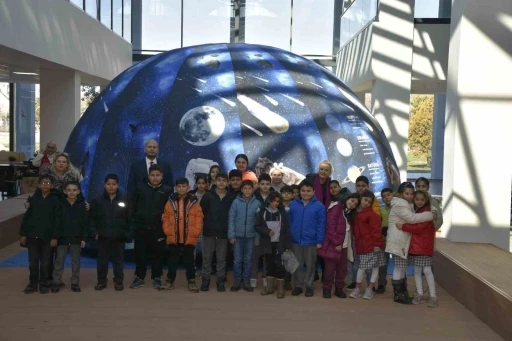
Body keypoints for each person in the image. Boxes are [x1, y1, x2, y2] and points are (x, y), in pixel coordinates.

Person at [386, 182, 436, 304]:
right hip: (399, 241)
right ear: (401, 194)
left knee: (401, 267)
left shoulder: (407, 204)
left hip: (402, 241)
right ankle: (399, 295)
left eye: (411, 193)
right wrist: (430, 215)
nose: (409, 196)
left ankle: (402, 293)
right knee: (399, 267)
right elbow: (412, 219)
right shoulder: (401, 205)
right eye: (406, 193)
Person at [129, 165, 173, 290]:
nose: (155, 178)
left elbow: (171, 210)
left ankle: (157, 277)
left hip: (159, 228)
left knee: (158, 254)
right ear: (148, 176)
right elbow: (132, 205)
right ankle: (139, 277)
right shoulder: (140, 187)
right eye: (152, 175)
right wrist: (134, 221)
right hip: (141, 227)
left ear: (162, 176)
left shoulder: (168, 190)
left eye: (157, 175)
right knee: (140, 254)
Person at [20, 175, 62, 294]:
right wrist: (23, 234)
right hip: (32, 237)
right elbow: (26, 218)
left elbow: (57, 221)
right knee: (33, 262)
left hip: (48, 238)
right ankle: (33, 283)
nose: (45, 184)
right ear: (38, 185)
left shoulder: (55, 200)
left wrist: (55, 237)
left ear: (52, 186)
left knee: (45, 263)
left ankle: (44, 283)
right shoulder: (33, 199)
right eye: (43, 182)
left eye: (48, 183)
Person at [161, 177, 204, 292]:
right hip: (174, 237)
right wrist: (167, 231)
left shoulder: (194, 202)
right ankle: (170, 280)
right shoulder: (170, 201)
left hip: (189, 237)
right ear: (175, 188)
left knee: (189, 261)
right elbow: (165, 217)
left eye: (183, 186)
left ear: (188, 187)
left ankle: (191, 281)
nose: (181, 189)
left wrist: (195, 232)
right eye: (179, 187)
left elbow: (199, 218)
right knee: (172, 261)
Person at [397, 190, 438, 308]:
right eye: (417, 199)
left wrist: (403, 226)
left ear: (426, 201)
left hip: (423, 247)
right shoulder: (416, 211)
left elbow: (418, 228)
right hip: (417, 247)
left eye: (422, 200)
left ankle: (433, 296)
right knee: (417, 271)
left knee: (426, 271)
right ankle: (420, 294)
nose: (419, 202)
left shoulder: (427, 213)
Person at [89, 174, 130, 292]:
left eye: (114, 184)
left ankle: (118, 281)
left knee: (118, 261)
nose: (111, 186)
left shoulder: (124, 199)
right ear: (104, 185)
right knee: (102, 261)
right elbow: (92, 219)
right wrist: (94, 232)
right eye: (108, 184)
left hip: (119, 237)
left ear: (117, 185)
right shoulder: (97, 200)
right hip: (102, 236)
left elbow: (129, 218)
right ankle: (101, 281)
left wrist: (127, 234)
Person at [200, 173, 236, 292]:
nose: (221, 182)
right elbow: (201, 213)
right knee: (207, 258)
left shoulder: (231, 198)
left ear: (228, 183)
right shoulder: (208, 196)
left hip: (223, 234)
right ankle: (205, 280)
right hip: (209, 232)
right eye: (219, 180)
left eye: (224, 181)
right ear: (215, 181)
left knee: (221, 259)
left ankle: (220, 281)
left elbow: (232, 216)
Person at [289, 179, 326, 297]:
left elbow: (321, 224)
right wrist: (290, 236)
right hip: (296, 240)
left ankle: (309, 286)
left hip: (311, 241)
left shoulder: (319, 206)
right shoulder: (293, 204)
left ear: (313, 191)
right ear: (299, 191)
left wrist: (319, 240)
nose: (305, 193)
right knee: (297, 264)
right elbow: (289, 222)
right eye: (303, 191)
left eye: (308, 191)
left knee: (310, 265)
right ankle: (298, 285)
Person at [319, 192, 359, 299]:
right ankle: (326, 289)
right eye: (352, 200)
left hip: (345, 246)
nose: (352, 204)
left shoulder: (349, 212)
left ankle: (339, 288)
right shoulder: (336, 207)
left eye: (355, 204)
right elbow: (330, 227)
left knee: (342, 270)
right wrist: (337, 242)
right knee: (330, 269)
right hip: (333, 245)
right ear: (346, 198)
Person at [51, 181, 88, 293]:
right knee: (59, 261)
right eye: (69, 190)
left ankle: (75, 282)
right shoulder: (60, 204)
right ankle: (56, 282)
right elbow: (56, 222)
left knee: (75, 262)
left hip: (76, 239)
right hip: (62, 238)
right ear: (64, 191)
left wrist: (84, 238)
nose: (71, 192)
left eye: (74, 190)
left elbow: (85, 223)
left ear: (78, 191)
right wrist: (55, 237)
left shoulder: (83, 205)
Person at [350, 191, 387, 300]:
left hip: (373, 246)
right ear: (361, 199)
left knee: (373, 267)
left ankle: (369, 288)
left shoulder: (373, 215)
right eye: (365, 200)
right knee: (363, 267)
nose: (366, 203)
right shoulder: (355, 214)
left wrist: (377, 244)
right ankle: (359, 288)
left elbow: (376, 231)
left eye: (369, 202)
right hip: (362, 246)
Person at [254, 191, 292, 299]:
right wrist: (266, 231)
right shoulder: (262, 211)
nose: (275, 203)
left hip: (279, 244)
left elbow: (287, 229)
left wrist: (287, 244)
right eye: (273, 201)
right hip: (267, 243)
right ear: (269, 201)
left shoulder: (282, 212)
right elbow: (256, 226)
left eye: (277, 201)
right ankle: (269, 288)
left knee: (280, 266)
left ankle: (281, 289)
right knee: (269, 265)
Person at [347, 175, 381, 290]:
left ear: (368, 186)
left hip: (368, 239)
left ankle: (370, 284)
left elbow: (376, 219)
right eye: (358, 186)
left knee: (369, 263)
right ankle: (354, 282)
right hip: (355, 237)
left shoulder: (373, 201)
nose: (360, 188)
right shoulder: (353, 199)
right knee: (355, 261)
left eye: (363, 186)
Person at [228, 180, 261, 292]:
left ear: (253, 190)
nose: (247, 190)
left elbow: (258, 223)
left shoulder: (257, 203)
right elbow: (231, 219)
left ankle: (246, 281)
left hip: (251, 237)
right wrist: (231, 235)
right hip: (237, 236)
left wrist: (257, 238)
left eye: (249, 188)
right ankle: (237, 281)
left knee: (248, 260)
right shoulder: (235, 202)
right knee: (237, 260)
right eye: (245, 188)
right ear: (241, 190)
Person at [306, 160, 333, 282]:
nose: (323, 171)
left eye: (326, 170)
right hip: (311, 217)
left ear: (329, 172)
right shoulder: (310, 180)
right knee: (311, 247)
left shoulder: (331, 184)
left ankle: (324, 274)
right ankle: (313, 273)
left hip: (325, 218)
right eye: (321, 169)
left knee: (322, 245)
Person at [251, 173, 273, 288]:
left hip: (270, 233)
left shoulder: (274, 197)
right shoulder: (253, 196)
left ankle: (265, 277)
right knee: (255, 257)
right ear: (258, 185)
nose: (265, 186)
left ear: (270, 184)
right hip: (257, 232)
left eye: (267, 184)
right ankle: (253, 277)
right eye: (262, 184)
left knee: (267, 258)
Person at [376, 187, 394, 294]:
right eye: (384, 196)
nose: (386, 198)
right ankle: (381, 283)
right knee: (382, 263)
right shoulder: (381, 210)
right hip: (384, 240)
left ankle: (402, 283)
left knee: (399, 264)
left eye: (388, 195)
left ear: (393, 195)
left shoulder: (399, 208)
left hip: (397, 240)